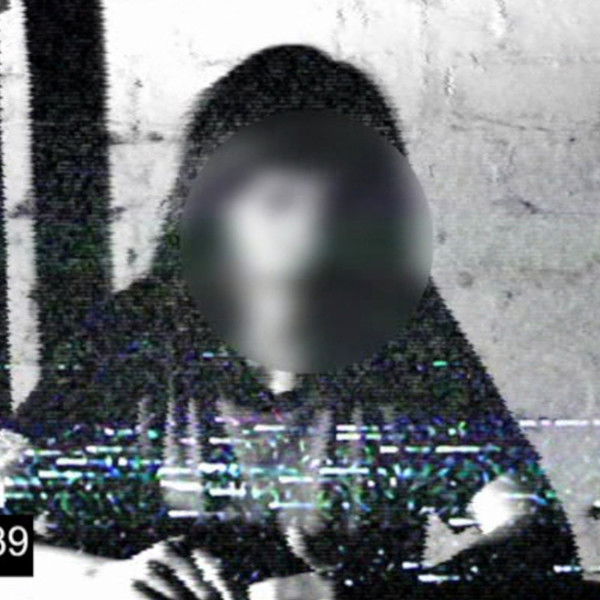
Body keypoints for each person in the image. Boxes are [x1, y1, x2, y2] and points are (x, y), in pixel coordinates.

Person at [1, 45, 584, 599]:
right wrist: (98, 580)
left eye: (346, 206)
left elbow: (542, 544)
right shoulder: (132, 338)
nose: (314, 236)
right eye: (279, 202)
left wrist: (360, 594)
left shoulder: (403, 337)